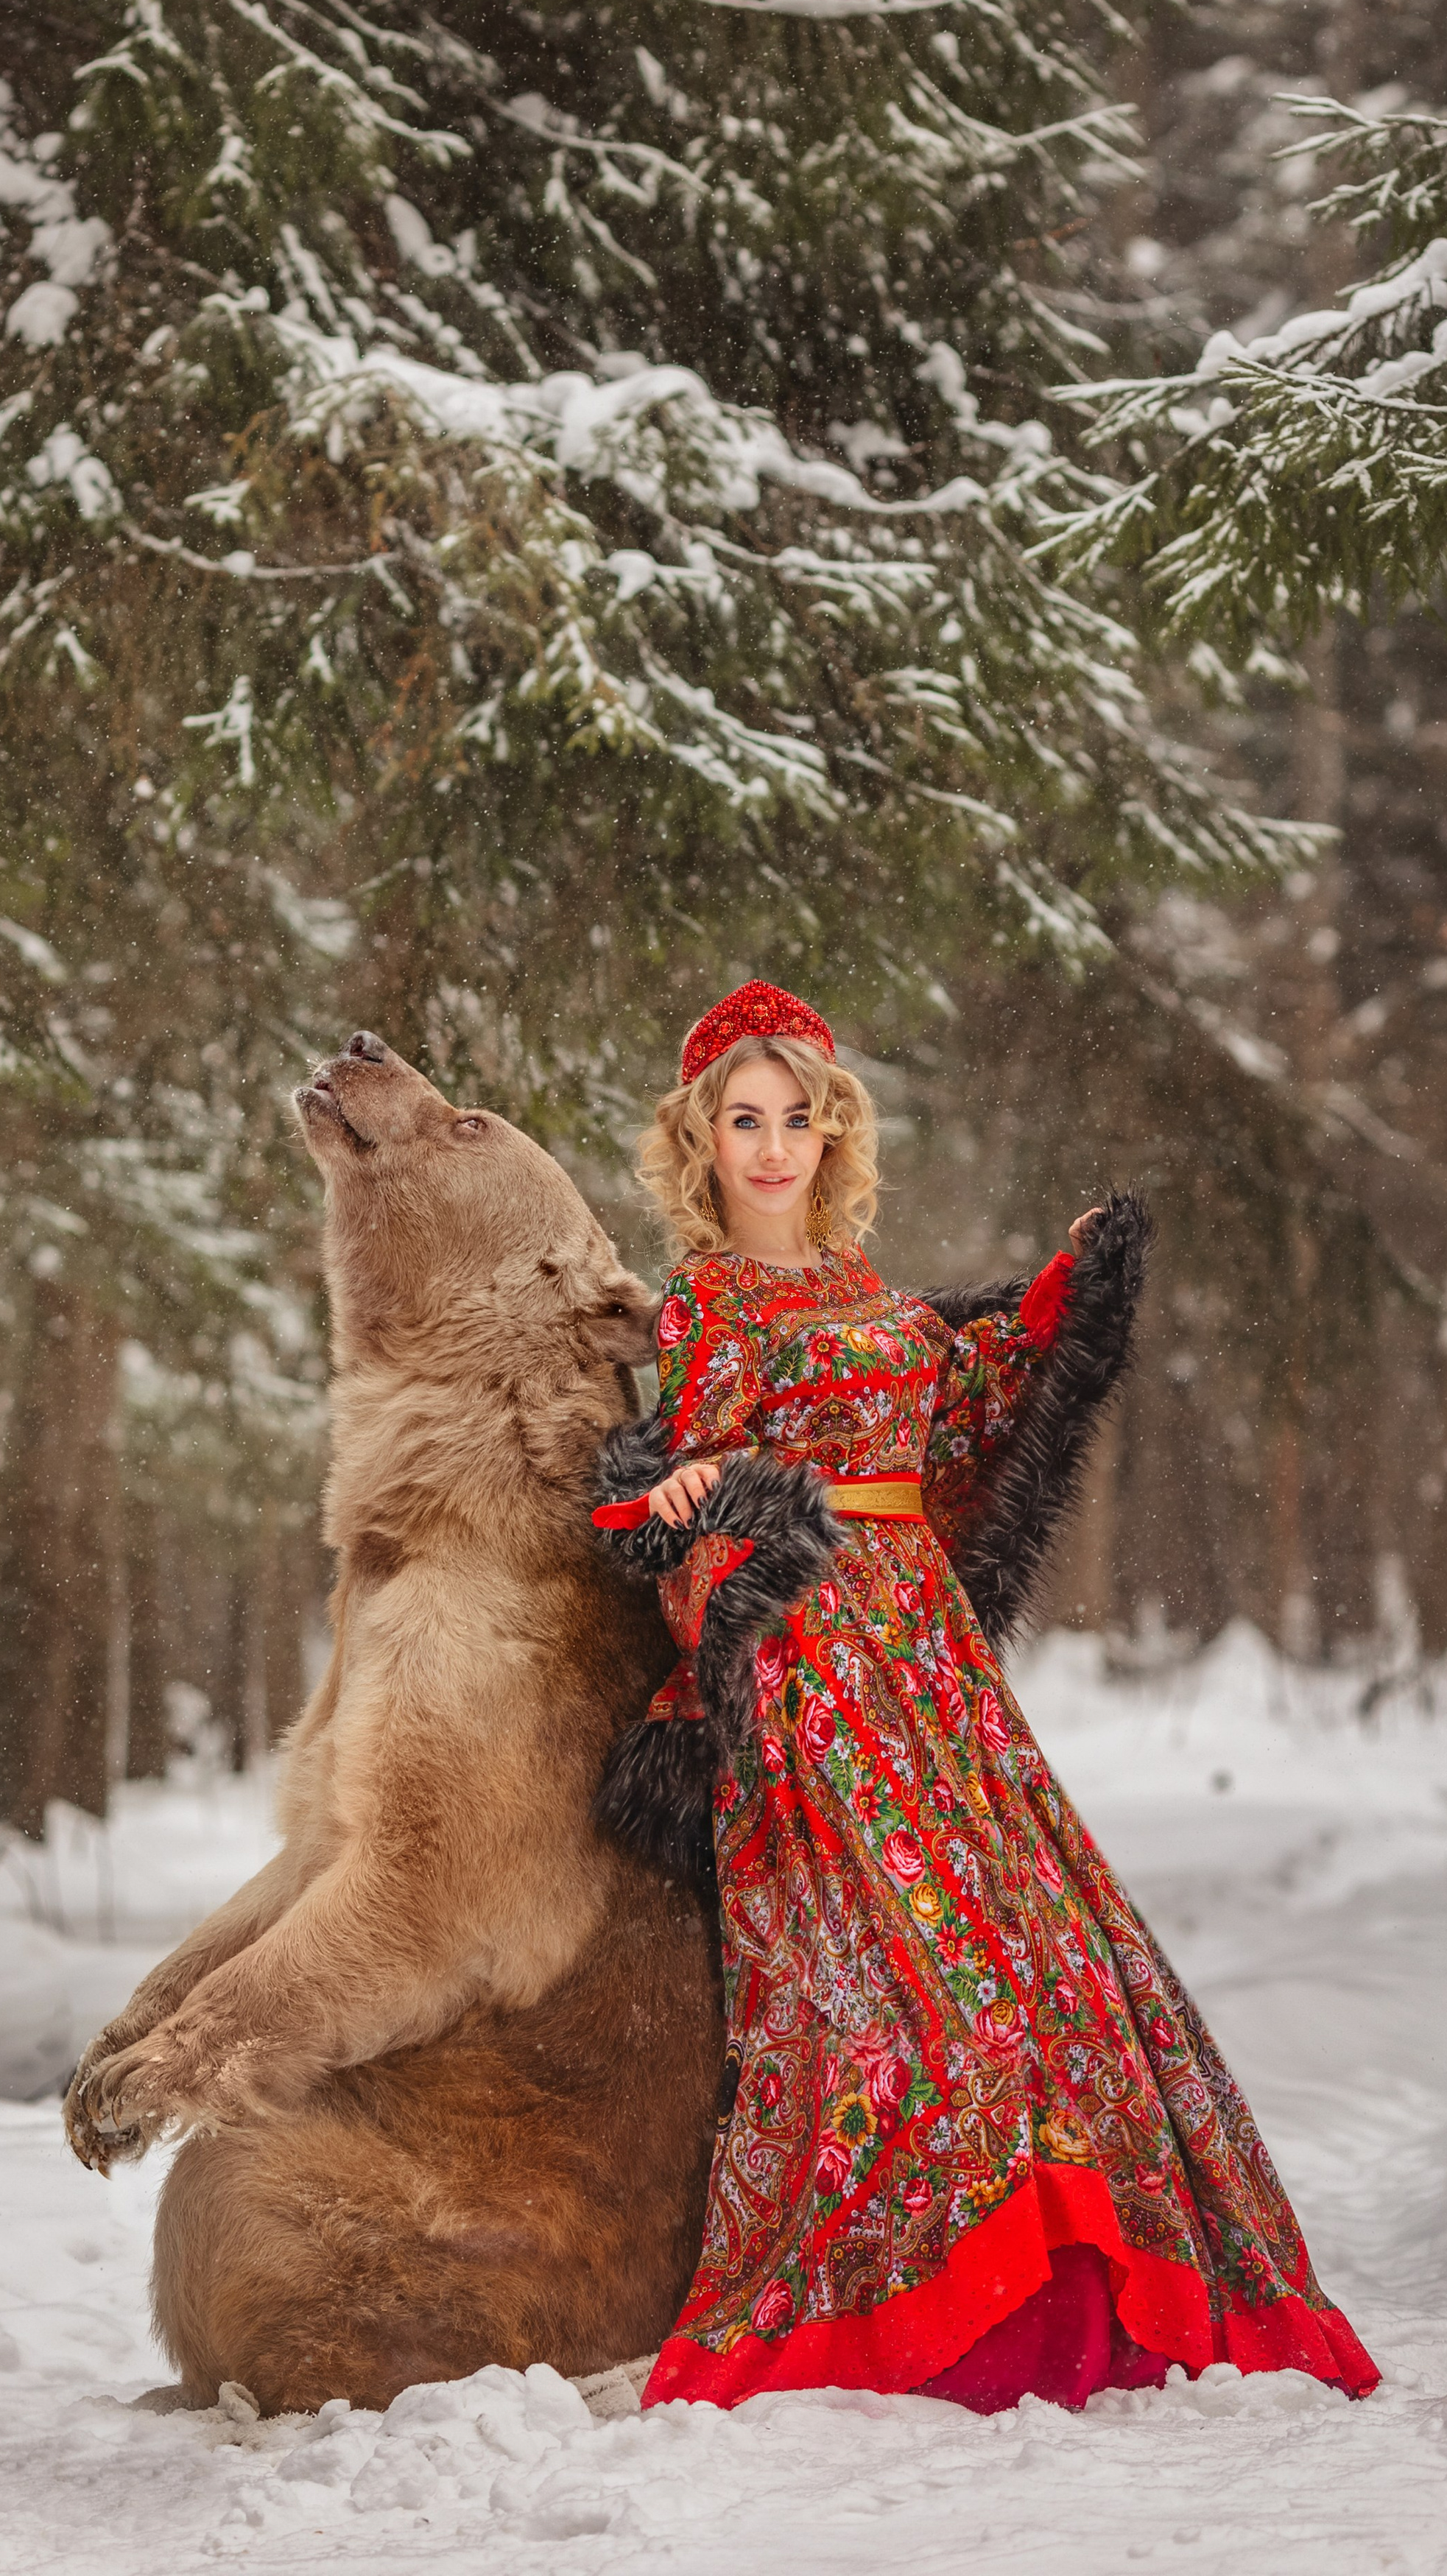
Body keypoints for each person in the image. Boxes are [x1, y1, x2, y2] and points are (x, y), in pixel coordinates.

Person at [591, 979, 1379, 2415]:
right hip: (812, 1663)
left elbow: (957, 1410)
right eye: (741, 1122)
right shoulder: (705, 1303)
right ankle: (908, 2312)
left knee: (1059, 1981)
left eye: (797, 1118)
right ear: (698, 1143)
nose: (771, 1148)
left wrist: (1054, 1299)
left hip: (929, 1666)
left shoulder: (869, 1292)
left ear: (834, 1135)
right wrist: (719, 1564)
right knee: (921, 1999)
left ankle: (1065, 2295)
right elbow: (687, 1494)